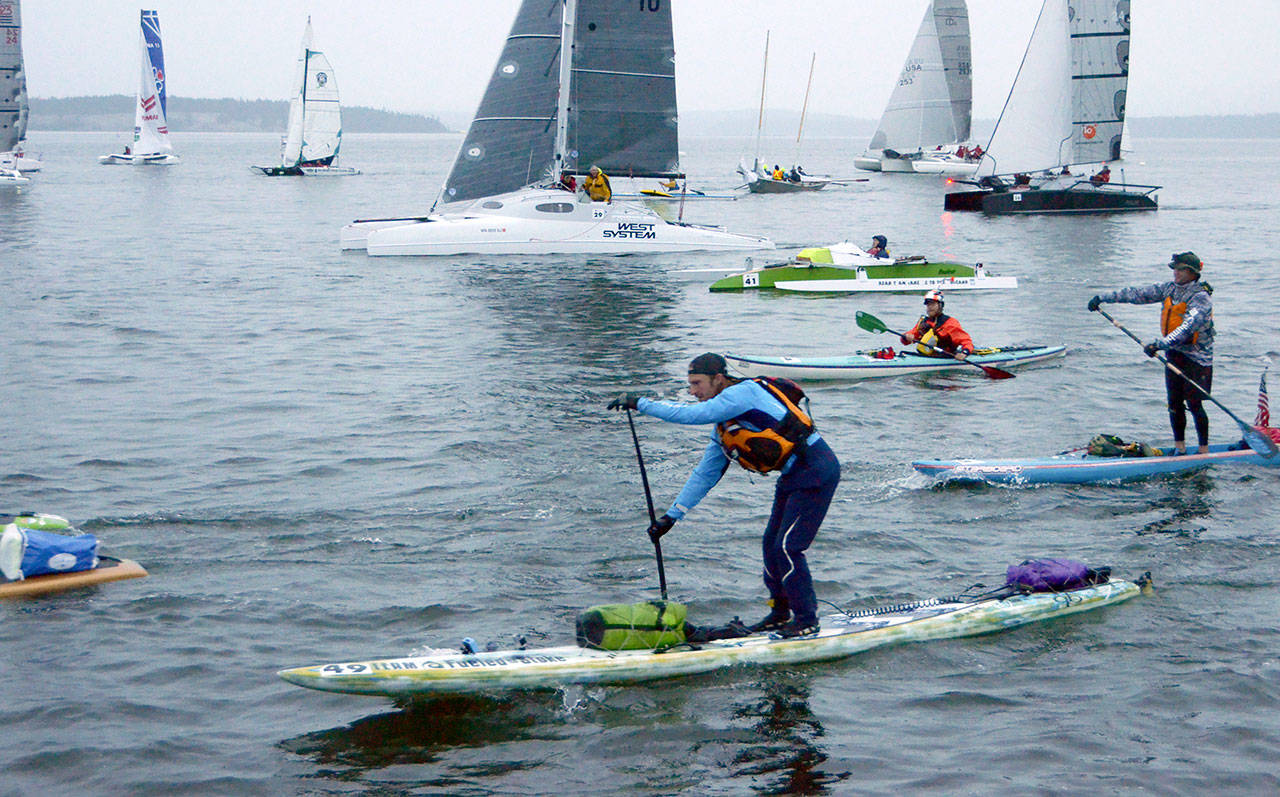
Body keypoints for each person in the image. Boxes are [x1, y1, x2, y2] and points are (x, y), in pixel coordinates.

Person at [607, 353, 840, 639]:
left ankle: (806, 620)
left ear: (719, 379)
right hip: (794, 476)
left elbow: (691, 415)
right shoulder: (724, 428)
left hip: (817, 470)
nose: (693, 392)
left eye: (697, 383)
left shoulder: (743, 393)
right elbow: (705, 475)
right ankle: (780, 614)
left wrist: (639, 403)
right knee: (771, 545)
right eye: (690, 384)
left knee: (788, 548)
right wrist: (671, 517)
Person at [1089, 252, 1214, 454]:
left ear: (1192, 273)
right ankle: (1180, 449)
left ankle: (1203, 450)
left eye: (1180, 269)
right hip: (1174, 354)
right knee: (1174, 403)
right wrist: (1102, 298)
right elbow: (1137, 294)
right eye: (1174, 268)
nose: (1175, 272)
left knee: (1194, 404)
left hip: (1197, 358)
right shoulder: (1169, 289)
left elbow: (1187, 328)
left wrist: (1159, 344)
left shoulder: (1201, 298)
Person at [899, 290, 974, 359]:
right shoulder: (924, 322)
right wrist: (906, 337)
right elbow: (906, 340)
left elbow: (967, 342)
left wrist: (964, 353)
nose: (930, 307)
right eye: (928, 305)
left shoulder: (950, 323)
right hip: (926, 357)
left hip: (945, 357)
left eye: (933, 304)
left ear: (940, 305)